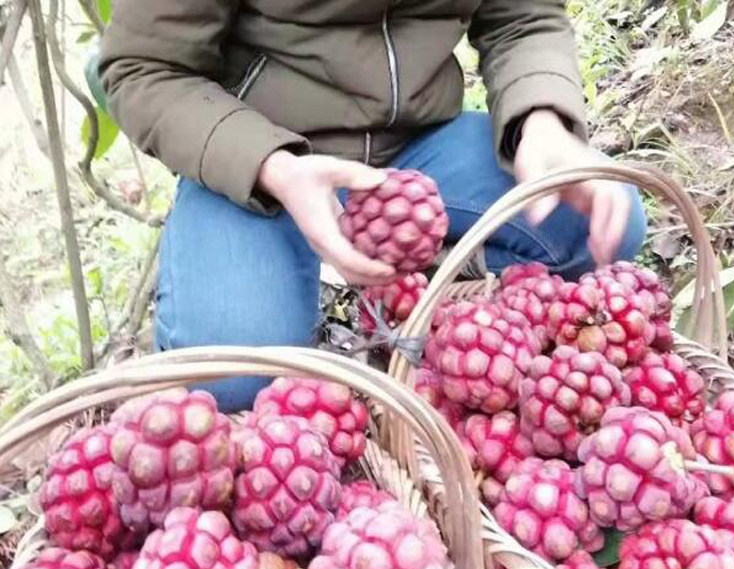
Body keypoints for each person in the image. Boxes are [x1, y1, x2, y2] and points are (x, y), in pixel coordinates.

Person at [100, 1, 647, 412]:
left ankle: (426, 291)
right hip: (260, 158)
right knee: (234, 379)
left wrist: (541, 118)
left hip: (416, 145)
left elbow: (521, 14)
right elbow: (143, 69)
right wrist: (273, 166)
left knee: (599, 219)